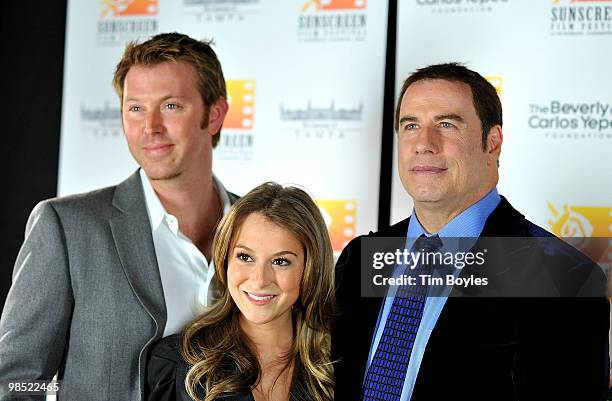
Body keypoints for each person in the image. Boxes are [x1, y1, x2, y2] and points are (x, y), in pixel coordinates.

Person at [333, 63, 610, 401]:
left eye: (446, 124)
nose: (424, 144)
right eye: (410, 126)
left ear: (492, 143)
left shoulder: (563, 279)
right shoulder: (361, 258)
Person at [0, 33, 237, 401]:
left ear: (215, 114)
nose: (150, 127)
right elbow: (15, 381)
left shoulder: (260, 229)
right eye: (135, 108)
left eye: (171, 106)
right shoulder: (67, 227)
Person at [146, 182, 336, 401]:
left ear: (310, 269)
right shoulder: (177, 365)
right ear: (225, 260)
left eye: (281, 261)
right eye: (245, 257)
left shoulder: (337, 365)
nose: (259, 279)